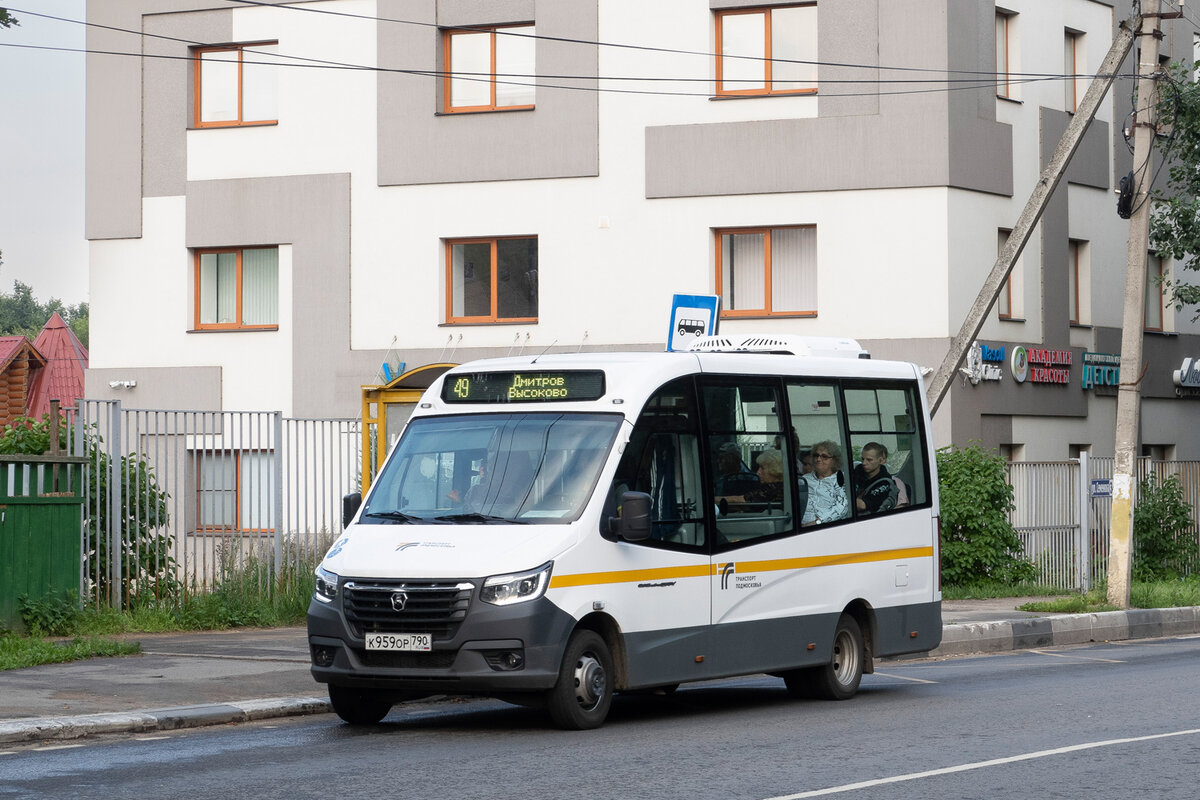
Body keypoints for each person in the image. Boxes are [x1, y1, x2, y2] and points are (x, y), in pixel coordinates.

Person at [801, 441, 850, 526]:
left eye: (824, 456)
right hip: (800, 528)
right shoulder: (804, 479)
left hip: (828, 527)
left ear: (834, 460)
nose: (818, 459)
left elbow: (842, 507)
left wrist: (817, 522)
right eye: (816, 455)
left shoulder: (841, 478)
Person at [852, 442, 908, 514]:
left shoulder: (885, 483)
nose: (864, 463)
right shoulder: (859, 471)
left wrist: (844, 497)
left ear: (881, 460)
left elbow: (863, 505)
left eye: (869, 460)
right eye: (863, 459)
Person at [719, 449, 784, 505]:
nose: (758, 472)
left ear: (775, 470)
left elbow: (739, 501)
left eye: (762, 468)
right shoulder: (784, 487)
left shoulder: (771, 490)